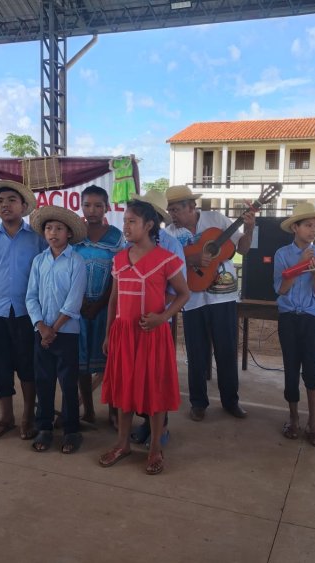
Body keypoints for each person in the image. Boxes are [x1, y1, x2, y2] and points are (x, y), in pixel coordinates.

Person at [98, 199, 189, 475]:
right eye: (124, 221)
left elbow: (184, 294)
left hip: (152, 335)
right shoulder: (119, 259)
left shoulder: (166, 259)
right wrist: (108, 334)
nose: (125, 226)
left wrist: (163, 317)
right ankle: (122, 444)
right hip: (124, 335)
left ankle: (155, 450)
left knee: (155, 392)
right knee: (124, 389)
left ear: (149, 225)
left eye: (132, 221)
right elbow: (113, 299)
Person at [165, 185, 255, 421]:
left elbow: (243, 249)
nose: (172, 215)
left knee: (226, 349)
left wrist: (249, 227)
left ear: (191, 207)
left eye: (176, 209)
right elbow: (164, 260)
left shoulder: (216, 219)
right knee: (196, 352)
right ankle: (198, 403)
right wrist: (191, 257)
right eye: (170, 210)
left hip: (222, 296)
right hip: (192, 298)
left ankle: (231, 401)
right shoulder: (170, 233)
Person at [0, 180, 45, 441]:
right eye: (0, 201)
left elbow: (46, 275)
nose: (5, 205)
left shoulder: (37, 238)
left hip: (28, 314)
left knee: (28, 367)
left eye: (12, 200)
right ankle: (5, 417)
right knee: (0, 368)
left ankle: (28, 417)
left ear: (24, 206)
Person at [25, 205, 87, 453]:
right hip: (42, 334)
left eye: (59, 228)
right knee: (44, 381)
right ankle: (45, 428)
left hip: (67, 333)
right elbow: (31, 297)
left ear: (69, 233)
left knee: (68, 383)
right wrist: (41, 326)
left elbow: (74, 301)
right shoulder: (39, 261)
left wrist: (54, 329)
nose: (53, 233)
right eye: (49, 228)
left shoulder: (76, 261)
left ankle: (71, 431)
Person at [128, 189, 186, 448]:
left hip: (158, 321)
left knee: (156, 378)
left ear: (152, 220)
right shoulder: (127, 239)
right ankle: (145, 423)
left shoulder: (170, 245)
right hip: (131, 322)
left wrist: (161, 315)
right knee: (137, 377)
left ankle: (160, 427)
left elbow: (178, 290)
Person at [273, 202, 315, 447]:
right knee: (290, 368)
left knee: (311, 369)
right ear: (295, 227)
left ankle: (314, 422)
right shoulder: (282, 255)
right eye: (308, 225)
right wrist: (299, 267)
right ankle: (294, 417)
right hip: (288, 317)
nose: (313, 230)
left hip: (309, 318)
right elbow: (280, 290)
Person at [73, 185, 124, 426]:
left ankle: (114, 412)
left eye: (98, 205)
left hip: (107, 308)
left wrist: (100, 303)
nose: (91, 210)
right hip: (78, 308)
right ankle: (89, 411)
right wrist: (81, 302)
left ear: (107, 207)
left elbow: (119, 273)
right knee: (81, 363)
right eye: (87, 205)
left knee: (110, 363)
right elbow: (69, 269)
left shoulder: (116, 236)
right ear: (80, 206)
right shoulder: (74, 235)